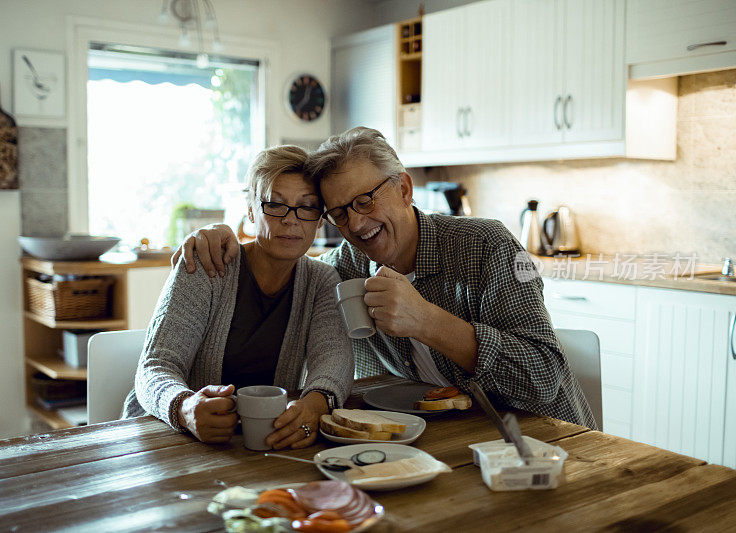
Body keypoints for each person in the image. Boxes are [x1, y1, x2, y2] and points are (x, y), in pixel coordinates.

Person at [172, 127, 596, 429]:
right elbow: (284, 260)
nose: (356, 224)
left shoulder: (486, 245)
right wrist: (214, 237)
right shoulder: (344, 268)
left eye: (365, 200)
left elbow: (544, 379)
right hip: (443, 438)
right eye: (339, 212)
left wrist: (426, 319)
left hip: (548, 438)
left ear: (405, 189)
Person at [123, 145, 354, 449]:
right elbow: (155, 366)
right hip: (169, 438)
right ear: (250, 211)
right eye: (275, 203)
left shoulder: (321, 281)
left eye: (307, 206)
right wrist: (185, 407)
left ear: (320, 219)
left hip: (260, 445)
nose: (290, 219)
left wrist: (315, 405)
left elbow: (334, 358)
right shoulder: (207, 263)